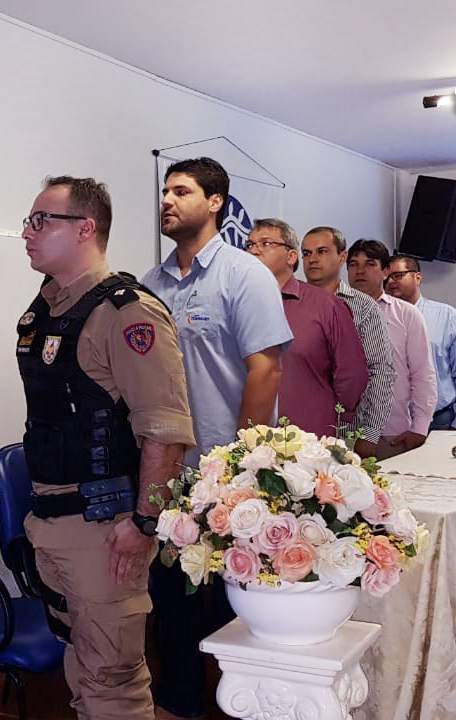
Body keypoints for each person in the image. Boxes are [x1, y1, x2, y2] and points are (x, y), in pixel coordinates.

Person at [17, 175, 194, 719]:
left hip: (105, 530)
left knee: (114, 680)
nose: (26, 231)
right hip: (51, 520)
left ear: (86, 228)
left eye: (41, 220)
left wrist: (144, 525)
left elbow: (165, 431)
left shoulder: (127, 312)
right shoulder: (45, 309)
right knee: (85, 667)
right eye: (29, 220)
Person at [141, 158, 292, 719]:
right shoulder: (149, 285)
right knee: (171, 602)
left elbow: (265, 370)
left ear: (216, 203)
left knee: (232, 602)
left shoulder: (243, 274)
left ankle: (249, 705)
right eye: (164, 191)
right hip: (164, 471)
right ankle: (178, 706)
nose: (168, 200)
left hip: (223, 472)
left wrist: (241, 467)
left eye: (182, 191)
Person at [246, 219, 368, 436]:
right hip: (249, 436)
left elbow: (352, 373)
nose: (254, 251)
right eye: (250, 245)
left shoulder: (326, 305)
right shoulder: (238, 304)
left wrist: (337, 416)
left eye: (265, 243)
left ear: (291, 256)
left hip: (310, 436)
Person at [301, 227, 396, 459]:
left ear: (342, 257)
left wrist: (370, 433)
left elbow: (380, 370)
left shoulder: (363, 307)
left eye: (322, 251)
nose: (313, 259)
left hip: (347, 432)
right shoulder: (290, 302)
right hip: (296, 426)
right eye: (306, 253)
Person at [346, 239, 437, 457]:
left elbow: (422, 373)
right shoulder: (333, 311)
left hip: (391, 432)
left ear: (385, 271)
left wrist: (420, 427)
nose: (360, 271)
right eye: (353, 264)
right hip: (341, 433)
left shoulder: (406, 314)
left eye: (370, 264)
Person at [385, 254, 456, 430]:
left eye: (398, 275)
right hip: (389, 424)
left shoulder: (446, 316)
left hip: (438, 422)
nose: (391, 282)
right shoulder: (376, 318)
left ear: (418, 277)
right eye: (386, 276)